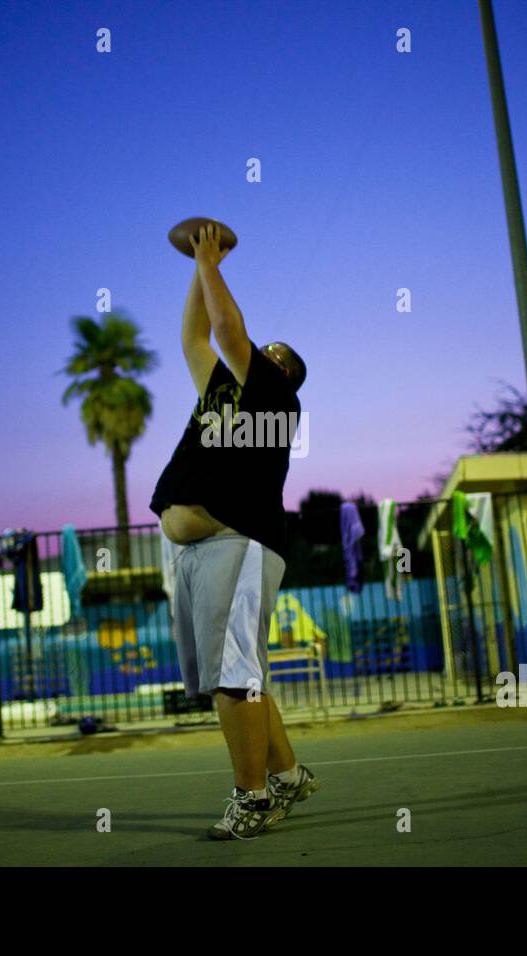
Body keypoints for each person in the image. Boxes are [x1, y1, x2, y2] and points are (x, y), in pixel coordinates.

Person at [150, 222, 317, 840]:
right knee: (243, 676)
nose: (258, 351)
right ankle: (288, 776)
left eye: (272, 350)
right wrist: (198, 263)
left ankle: (253, 798)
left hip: (239, 542)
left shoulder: (275, 397)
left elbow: (224, 330)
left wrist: (211, 259)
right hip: (206, 549)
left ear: (284, 374)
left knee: (234, 680)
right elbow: (196, 335)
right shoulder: (222, 396)